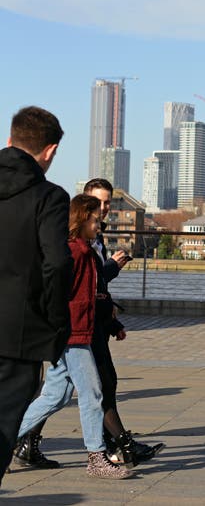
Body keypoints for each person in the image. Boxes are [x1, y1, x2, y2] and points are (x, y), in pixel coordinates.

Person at [15, 178, 164, 470]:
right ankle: (98, 456)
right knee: (94, 392)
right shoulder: (77, 252)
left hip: (78, 330)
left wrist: (110, 320)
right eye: (96, 218)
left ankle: (10, 436)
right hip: (75, 333)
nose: (101, 222)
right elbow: (68, 293)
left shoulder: (83, 248)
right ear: (83, 218)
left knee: (55, 396)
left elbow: (94, 292)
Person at [0, 106, 73, 485]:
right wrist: (55, 322)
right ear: (51, 150)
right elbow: (57, 264)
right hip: (17, 334)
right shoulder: (49, 197)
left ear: (9, 139)